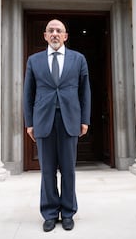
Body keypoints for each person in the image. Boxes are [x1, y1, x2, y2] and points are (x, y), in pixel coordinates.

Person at [23, 19, 91, 232]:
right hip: (43, 121)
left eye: (58, 30)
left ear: (65, 36)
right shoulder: (34, 61)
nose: (54, 33)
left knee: (69, 170)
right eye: (50, 30)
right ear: (44, 36)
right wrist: (29, 122)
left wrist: (85, 119)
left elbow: (84, 92)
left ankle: (68, 212)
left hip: (70, 120)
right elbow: (28, 94)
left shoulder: (78, 59)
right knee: (48, 171)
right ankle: (50, 213)